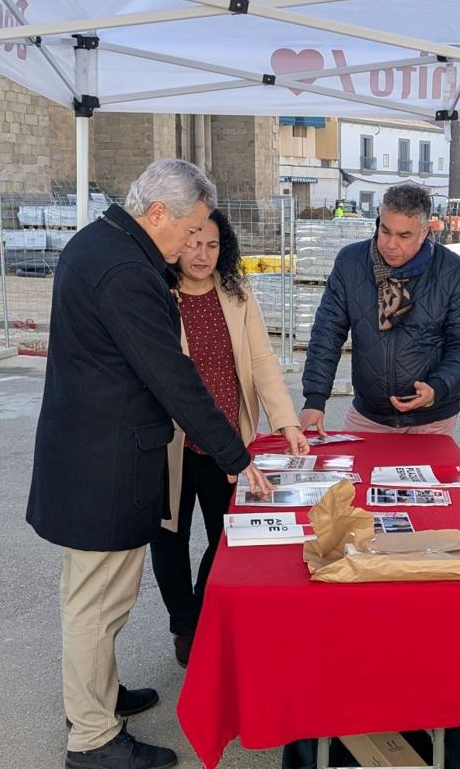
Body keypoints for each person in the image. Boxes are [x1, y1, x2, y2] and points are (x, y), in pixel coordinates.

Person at [26, 159, 271, 769]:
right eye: (190, 228)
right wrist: (235, 456)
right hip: (105, 464)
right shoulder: (127, 271)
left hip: (89, 453)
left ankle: (98, 697)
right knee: (96, 601)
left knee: (95, 598)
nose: (194, 242)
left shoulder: (98, 242)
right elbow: (173, 377)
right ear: (158, 213)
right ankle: (92, 739)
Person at [149, 208, 309, 668]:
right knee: (170, 537)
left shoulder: (238, 293)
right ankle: (185, 625)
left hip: (229, 445)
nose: (202, 255)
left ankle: (202, 614)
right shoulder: (159, 294)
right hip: (172, 443)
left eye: (213, 245)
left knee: (228, 537)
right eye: (194, 242)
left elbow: (261, 361)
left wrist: (287, 422)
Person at [299, 183, 460, 439]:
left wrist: (437, 387)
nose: (390, 244)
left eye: (404, 236)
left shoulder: (455, 272)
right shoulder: (350, 263)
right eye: (385, 231)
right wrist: (315, 399)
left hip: (433, 418)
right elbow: (327, 333)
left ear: (424, 232)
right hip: (369, 415)